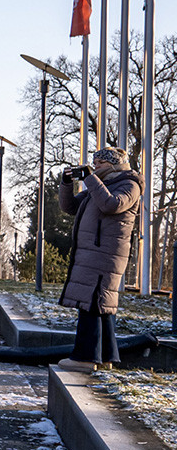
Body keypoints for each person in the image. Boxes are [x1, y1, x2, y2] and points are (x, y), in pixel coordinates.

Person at [59, 147, 143, 371]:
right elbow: (70, 207)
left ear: (114, 164)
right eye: (94, 162)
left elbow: (112, 204)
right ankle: (106, 358)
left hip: (107, 252)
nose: (95, 166)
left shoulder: (130, 184)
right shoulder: (99, 185)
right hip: (93, 252)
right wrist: (66, 184)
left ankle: (84, 359)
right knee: (100, 303)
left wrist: (91, 179)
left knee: (92, 300)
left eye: (100, 163)